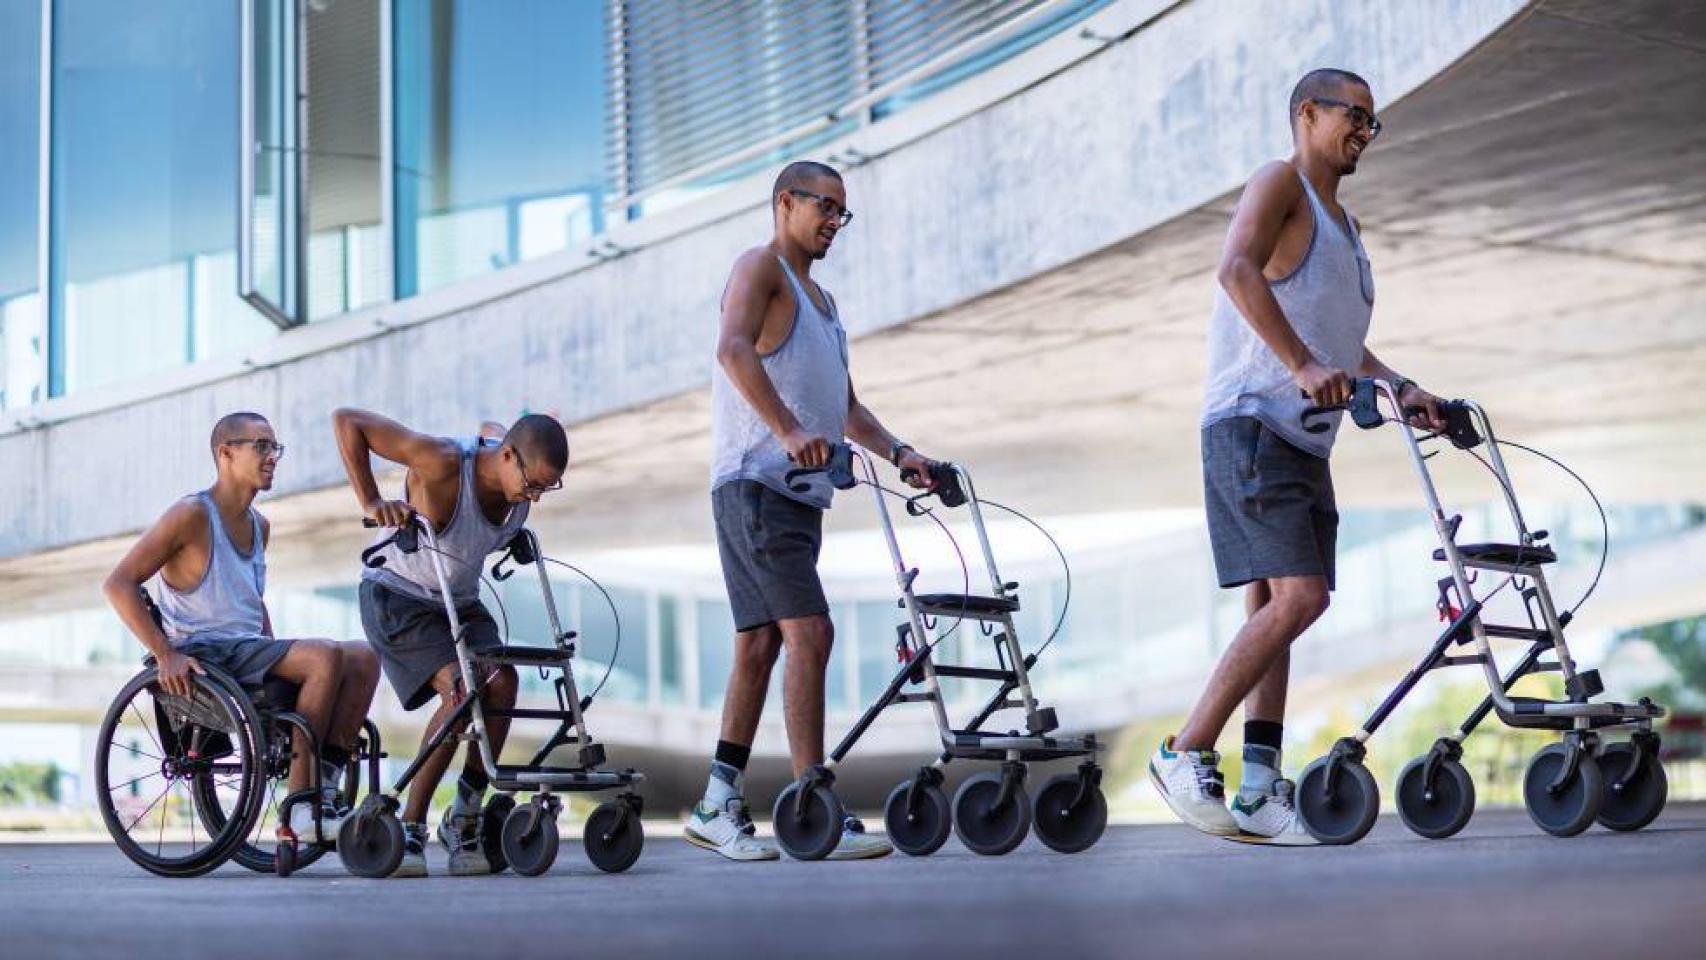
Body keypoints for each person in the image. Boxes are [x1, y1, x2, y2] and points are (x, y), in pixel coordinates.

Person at [1150, 69, 1446, 843]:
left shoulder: (1345, 227)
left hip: (1303, 440)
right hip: (1253, 424)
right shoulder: (1279, 182)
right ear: (1307, 113)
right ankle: (1182, 751)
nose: (1364, 133)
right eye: (1355, 116)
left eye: (1373, 125)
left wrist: (1403, 386)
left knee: (1276, 608)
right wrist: (1301, 368)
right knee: (1301, 599)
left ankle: (1256, 782)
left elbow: (1341, 342)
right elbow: (1236, 270)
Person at [685, 160, 940, 862]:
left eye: (841, 211)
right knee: (812, 633)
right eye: (823, 206)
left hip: (797, 497)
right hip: (757, 484)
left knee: (760, 645)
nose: (833, 220)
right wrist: (786, 432)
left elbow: (847, 407)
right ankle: (813, 799)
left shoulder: (823, 305)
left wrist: (900, 453)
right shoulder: (759, 267)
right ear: (784, 203)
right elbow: (733, 349)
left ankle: (716, 801)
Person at [103, 412, 379, 844]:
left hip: (247, 649)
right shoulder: (192, 514)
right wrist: (165, 654)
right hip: (205, 651)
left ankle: (324, 781)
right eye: (262, 446)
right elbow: (118, 583)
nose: (273, 457)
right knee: (324, 653)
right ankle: (301, 807)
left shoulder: (259, 525)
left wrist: (283, 652)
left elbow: (251, 602)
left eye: (275, 448)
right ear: (226, 453)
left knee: (363, 655)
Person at [333, 408, 568, 876]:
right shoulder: (439, 462)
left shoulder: (509, 462)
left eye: (546, 488)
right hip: (397, 595)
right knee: (462, 692)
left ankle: (464, 815)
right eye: (533, 485)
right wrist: (372, 499)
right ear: (507, 458)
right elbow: (347, 422)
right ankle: (411, 826)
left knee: (502, 683)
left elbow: (490, 428)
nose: (535, 499)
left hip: (456, 599)